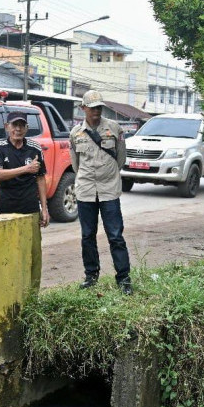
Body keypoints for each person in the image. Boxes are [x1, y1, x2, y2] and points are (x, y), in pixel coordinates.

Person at [69, 90, 132, 295]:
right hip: (86, 190)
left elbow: (120, 158)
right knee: (88, 235)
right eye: (92, 107)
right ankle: (91, 276)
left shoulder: (114, 128)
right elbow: (76, 165)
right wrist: (87, 179)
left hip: (109, 190)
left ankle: (123, 279)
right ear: (83, 108)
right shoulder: (75, 134)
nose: (96, 111)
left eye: (99, 107)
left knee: (115, 235)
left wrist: (108, 174)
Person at [0, 111, 49, 227]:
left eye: (21, 125)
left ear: (27, 128)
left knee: (31, 243)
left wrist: (44, 208)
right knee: (7, 242)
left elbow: (41, 178)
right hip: (6, 205)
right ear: (6, 127)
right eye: (14, 125)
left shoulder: (35, 148)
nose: (18, 129)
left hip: (30, 205)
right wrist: (26, 168)